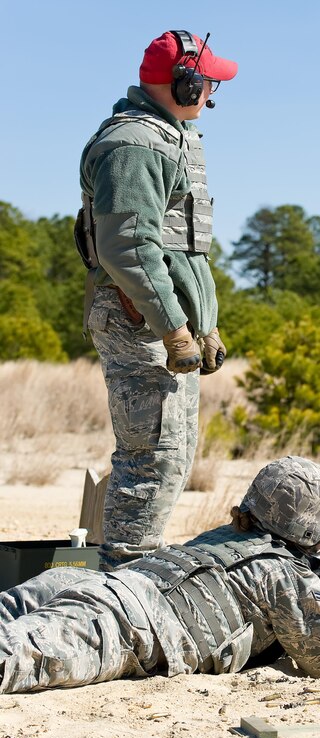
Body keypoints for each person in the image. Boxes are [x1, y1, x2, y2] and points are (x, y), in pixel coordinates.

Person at [0, 457, 320, 694]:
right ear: (310, 528)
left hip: (93, 584)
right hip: (122, 622)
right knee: (11, 658)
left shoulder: (223, 533)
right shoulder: (285, 575)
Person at [76, 30, 238, 571]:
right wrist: (174, 326)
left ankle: (131, 579)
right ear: (185, 82)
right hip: (138, 319)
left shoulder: (168, 137)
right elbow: (129, 248)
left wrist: (204, 324)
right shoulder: (134, 145)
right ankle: (120, 587)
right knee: (152, 460)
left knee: (171, 455)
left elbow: (183, 249)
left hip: (159, 322)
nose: (212, 91)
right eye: (207, 80)